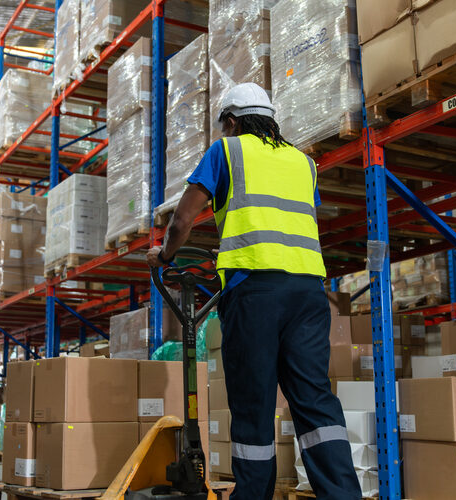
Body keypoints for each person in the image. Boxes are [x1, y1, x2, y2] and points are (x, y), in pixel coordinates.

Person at [147, 83, 360, 499]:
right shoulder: (304, 162)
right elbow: (282, 219)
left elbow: (183, 220)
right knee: (315, 402)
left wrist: (165, 256)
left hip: (254, 293)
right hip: (308, 291)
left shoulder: (226, 151)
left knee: (253, 403)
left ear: (231, 120)